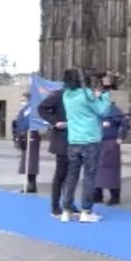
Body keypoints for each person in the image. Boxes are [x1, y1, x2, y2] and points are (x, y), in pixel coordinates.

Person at [61, 68, 111, 223]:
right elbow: (103, 111)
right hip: (90, 140)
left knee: (72, 176)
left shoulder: (66, 96)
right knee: (89, 176)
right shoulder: (86, 95)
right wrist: (104, 95)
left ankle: (67, 210)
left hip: (74, 139)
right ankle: (86, 210)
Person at [38, 88, 74, 219]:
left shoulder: (78, 95)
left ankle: (68, 202)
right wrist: (55, 122)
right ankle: (55, 205)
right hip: (62, 139)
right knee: (61, 174)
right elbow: (42, 108)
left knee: (72, 174)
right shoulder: (60, 94)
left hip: (76, 138)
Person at [93, 101, 130, 206]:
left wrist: (121, 136)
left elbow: (124, 122)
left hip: (110, 141)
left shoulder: (113, 109)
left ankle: (114, 195)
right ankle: (97, 193)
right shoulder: (94, 107)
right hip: (96, 141)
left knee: (111, 169)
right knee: (95, 168)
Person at [12, 92, 41, 194]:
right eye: (21, 100)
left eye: (23, 100)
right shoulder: (22, 112)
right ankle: (28, 183)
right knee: (25, 161)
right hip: (23, 138)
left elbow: (36, 124)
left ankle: (32, 184)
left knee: (32, 161)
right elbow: (18, 123)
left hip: (32, 137)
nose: (22, 102)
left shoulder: (34, 112)